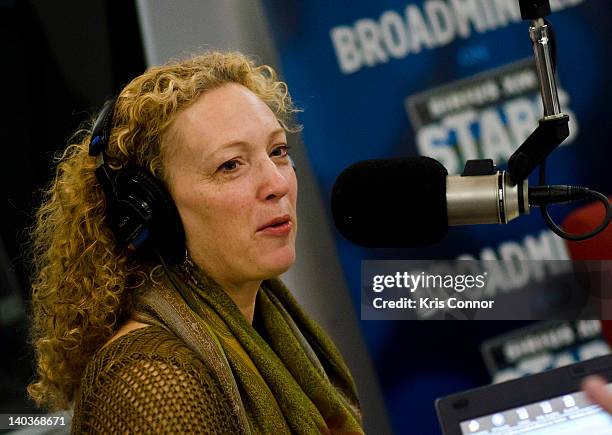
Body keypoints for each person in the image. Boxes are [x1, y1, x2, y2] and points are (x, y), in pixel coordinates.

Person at [27, 51, 364, 434]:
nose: (277, 184)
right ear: (152, 211)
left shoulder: (267, 329)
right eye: (230, 165)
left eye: (278, 151)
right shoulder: (154, 386)